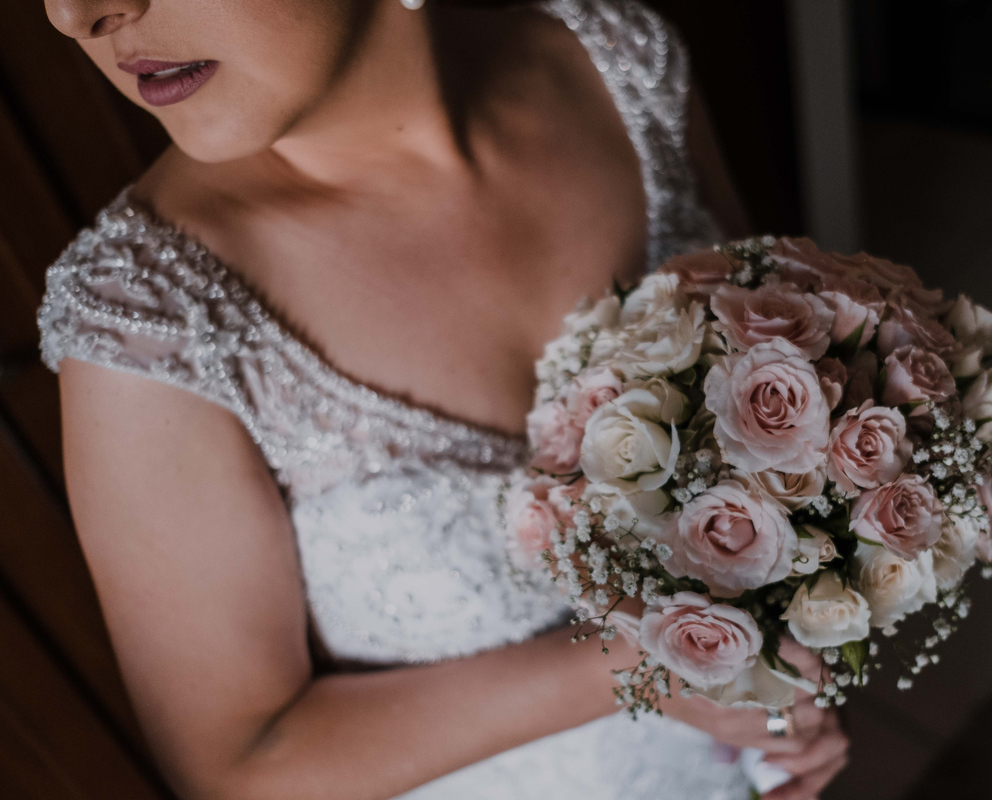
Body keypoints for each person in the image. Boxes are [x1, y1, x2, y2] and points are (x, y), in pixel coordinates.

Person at [38, 1, 849, 798]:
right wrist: (649, 661)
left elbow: (777, 401)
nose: (76, 15)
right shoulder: (145, 324)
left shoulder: (617, 64)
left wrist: (792, 679)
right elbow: (239, 764)